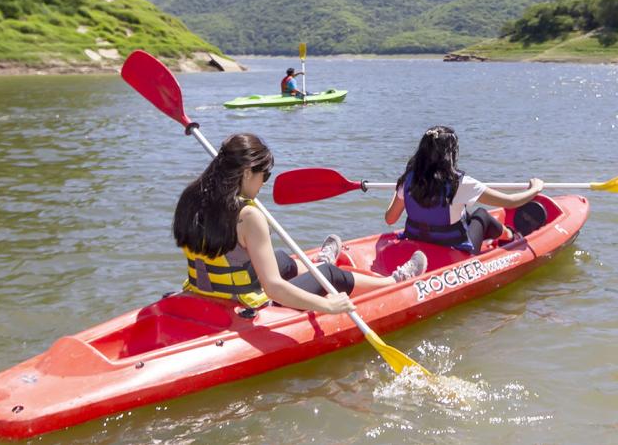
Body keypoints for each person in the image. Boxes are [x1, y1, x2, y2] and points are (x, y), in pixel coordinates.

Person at [175, 133, 427, 314]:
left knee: (280, 258)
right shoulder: (249, 216)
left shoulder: (191, 197)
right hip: (243, 300)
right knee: (329, 275)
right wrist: (328, 305)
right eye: (265, 175)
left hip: (204, 290)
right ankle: (393, 282)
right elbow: (273, 288)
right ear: (247, 172)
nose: (264, 183)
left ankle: (318, 262)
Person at [385, 125, 544, 254]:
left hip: (417, 239)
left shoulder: (409, 179)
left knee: (464, 214)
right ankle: (511, 236)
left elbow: (390, 219)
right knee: (481, 214)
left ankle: (505, 235)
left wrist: (400, 189)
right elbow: (510, 202)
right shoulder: (459, 183)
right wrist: (535, 189)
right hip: (451, 248)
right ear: (450, 154)